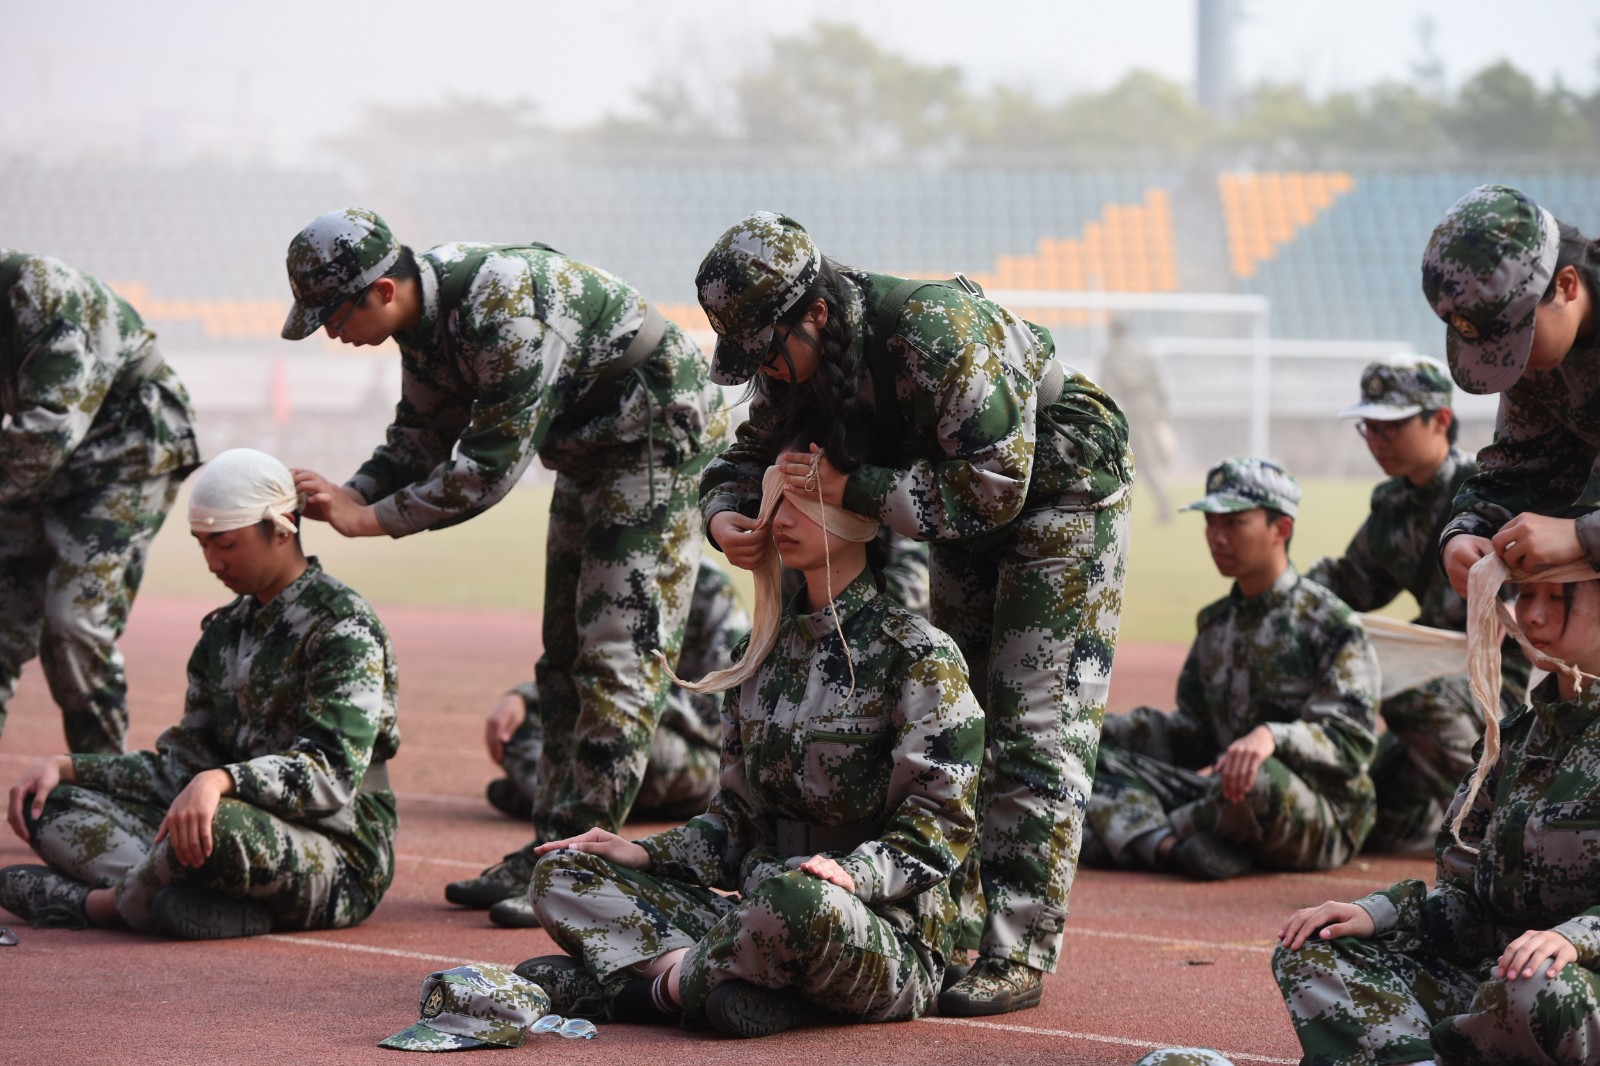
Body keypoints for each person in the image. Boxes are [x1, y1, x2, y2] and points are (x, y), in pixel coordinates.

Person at [693, 210, 1131, 1015]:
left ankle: (1017, 950)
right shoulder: (804, 359)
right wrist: (725, 518)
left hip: (1060, 492)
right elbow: (741, 456)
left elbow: (994, 488)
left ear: (815, 314)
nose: (770, 376)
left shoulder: (937, 330)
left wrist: (848, 490)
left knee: (1035, 719)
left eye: (768, 355)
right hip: (952, 504)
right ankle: (957, 922)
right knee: (968, 714)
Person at [276, 209, 724, 914]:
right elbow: (421, 436)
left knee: (617, 658)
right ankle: (552, 849)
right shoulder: (422, 324)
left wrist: (371, 521)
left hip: (656, 436)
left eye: (332, 315)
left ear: (382, 291)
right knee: (563, 654)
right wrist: (350, 492)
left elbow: (484, 472)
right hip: (589, 451)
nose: (331, 333)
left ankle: (588, 869)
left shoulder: (503, 307)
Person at [515, 437, 984, 1038]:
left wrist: (854, 876)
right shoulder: (758, 657)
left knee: (798, 903)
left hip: (872, 924)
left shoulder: (916, 655)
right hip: (755, 912)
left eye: (800, 503)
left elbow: (941, 824)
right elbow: (738, 825)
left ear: (857, 518)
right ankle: (729, 983)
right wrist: (643, 853)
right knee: (563, 873)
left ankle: (647, 990)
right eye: (773, 501)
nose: (777, 520)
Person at [0, 449, 399, 939]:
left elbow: (330, 773)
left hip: (338, 855)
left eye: (226, 544)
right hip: (231, 831)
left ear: (282, 528)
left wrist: (220, 782)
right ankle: (189, 901)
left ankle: (101, 904)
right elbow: (179, 770)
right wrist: (68, 767)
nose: (213, 562)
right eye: (202, 544)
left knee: (219, 823)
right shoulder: (223, 633)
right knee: (53, 801)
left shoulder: (343, 627)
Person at [1274, 558, 1600, 1065]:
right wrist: (1377, 913)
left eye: (1557, 597)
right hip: (1496, 982)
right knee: (1315, 948)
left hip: (1562, 989)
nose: (1532, 615)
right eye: (1525, 595)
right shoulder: (1510, 740)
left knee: (1535, 991)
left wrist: (1573, 938)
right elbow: (1469, 903)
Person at [1085, 458, 1380, 880]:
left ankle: (1147, 834)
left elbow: (1352, 742)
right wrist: (1097, 730)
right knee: (1085, 760)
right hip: (1225, 794)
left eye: (1235, 523)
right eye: (1211, 523)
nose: (1216, 537)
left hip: (1319, 813)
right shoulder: (1216, 623)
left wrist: (1272, 737)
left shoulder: (1331, 624)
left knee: (1255, 779)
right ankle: (1172, 847)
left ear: (1281, 530)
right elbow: (1195, 736)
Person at [1307, 354, 1527, 851]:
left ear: (1441, 421)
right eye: (1370, 427)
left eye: (1392, 425)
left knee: (1398, 691)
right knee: (1375, 813)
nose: (1378, 440)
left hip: (1500, 686)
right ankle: (1450, 802)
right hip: (1439, 684)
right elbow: (1351, 584)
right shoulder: (1394, 507)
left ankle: (1505, 819)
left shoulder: (1488, 491)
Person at [0, 249, 200, 754]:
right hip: (45, 458)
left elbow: (45, 434)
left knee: (73, 624)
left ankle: (103, 791)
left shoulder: (40, 291)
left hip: (127, 448)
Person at [480, 556, 749, 930]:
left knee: (626, 748)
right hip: (618, 724)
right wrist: (524, 696)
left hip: (683, 742)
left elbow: (717, 703)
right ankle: (597, 803)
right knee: (527, 734)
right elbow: (581, 675)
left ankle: (556, 805)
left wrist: (632, 702)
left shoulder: (706, 587)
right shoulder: (603, 572)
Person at [1427, 185, 1600, 598]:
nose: (1512, 362)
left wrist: (1581, 535)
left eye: (1517, 338)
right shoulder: (1538, 360)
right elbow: (1520, 469)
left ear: (1567, 285)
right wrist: (1465, 533)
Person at [1096, 317, 1175, 523]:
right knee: (1140, 458)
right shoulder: (1141, 349)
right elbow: (1158, 379)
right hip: (1150, 406)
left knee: (1139, 459)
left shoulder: (1112, 355)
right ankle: (1131, 505)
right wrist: (1162, 407)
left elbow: (1107, 388)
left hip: (1131, 408)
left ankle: (1154, 503)